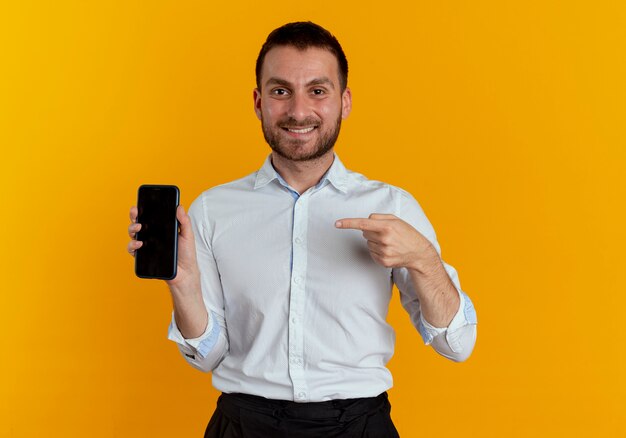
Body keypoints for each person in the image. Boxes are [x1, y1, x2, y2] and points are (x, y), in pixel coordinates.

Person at [127, 21, 477, 438]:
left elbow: (456, 346)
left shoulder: (392, 207)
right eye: (280, 91)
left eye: (317, 90)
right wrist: (182, 283)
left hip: (359, 427)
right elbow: (206, 357)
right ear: (258, 102)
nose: (298, 111)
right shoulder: (212, 211)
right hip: (242, 425)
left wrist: (423, 260)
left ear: (344, 101)